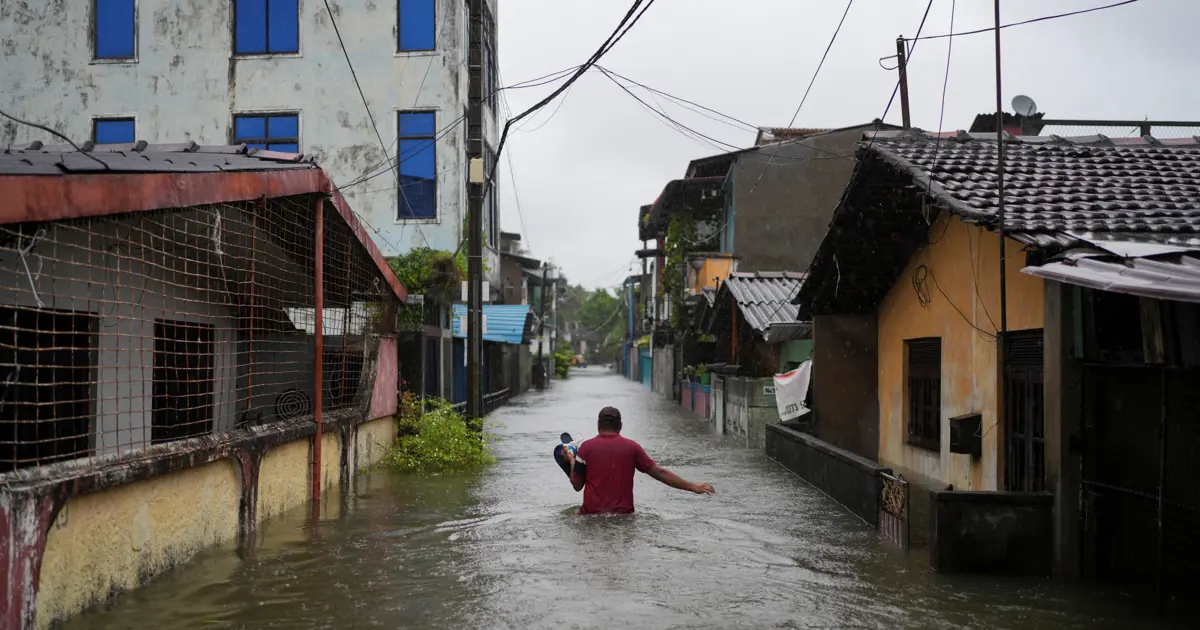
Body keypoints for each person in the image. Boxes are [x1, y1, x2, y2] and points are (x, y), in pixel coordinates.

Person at [562, 406, 714, 514]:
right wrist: (694, 487)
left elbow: (577, 485)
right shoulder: (632, 448)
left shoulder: (585, 449)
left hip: (591, 517)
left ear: (598, 425)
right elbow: (659, 473)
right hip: (625, 517)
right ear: (620, 426)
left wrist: (571, 459)